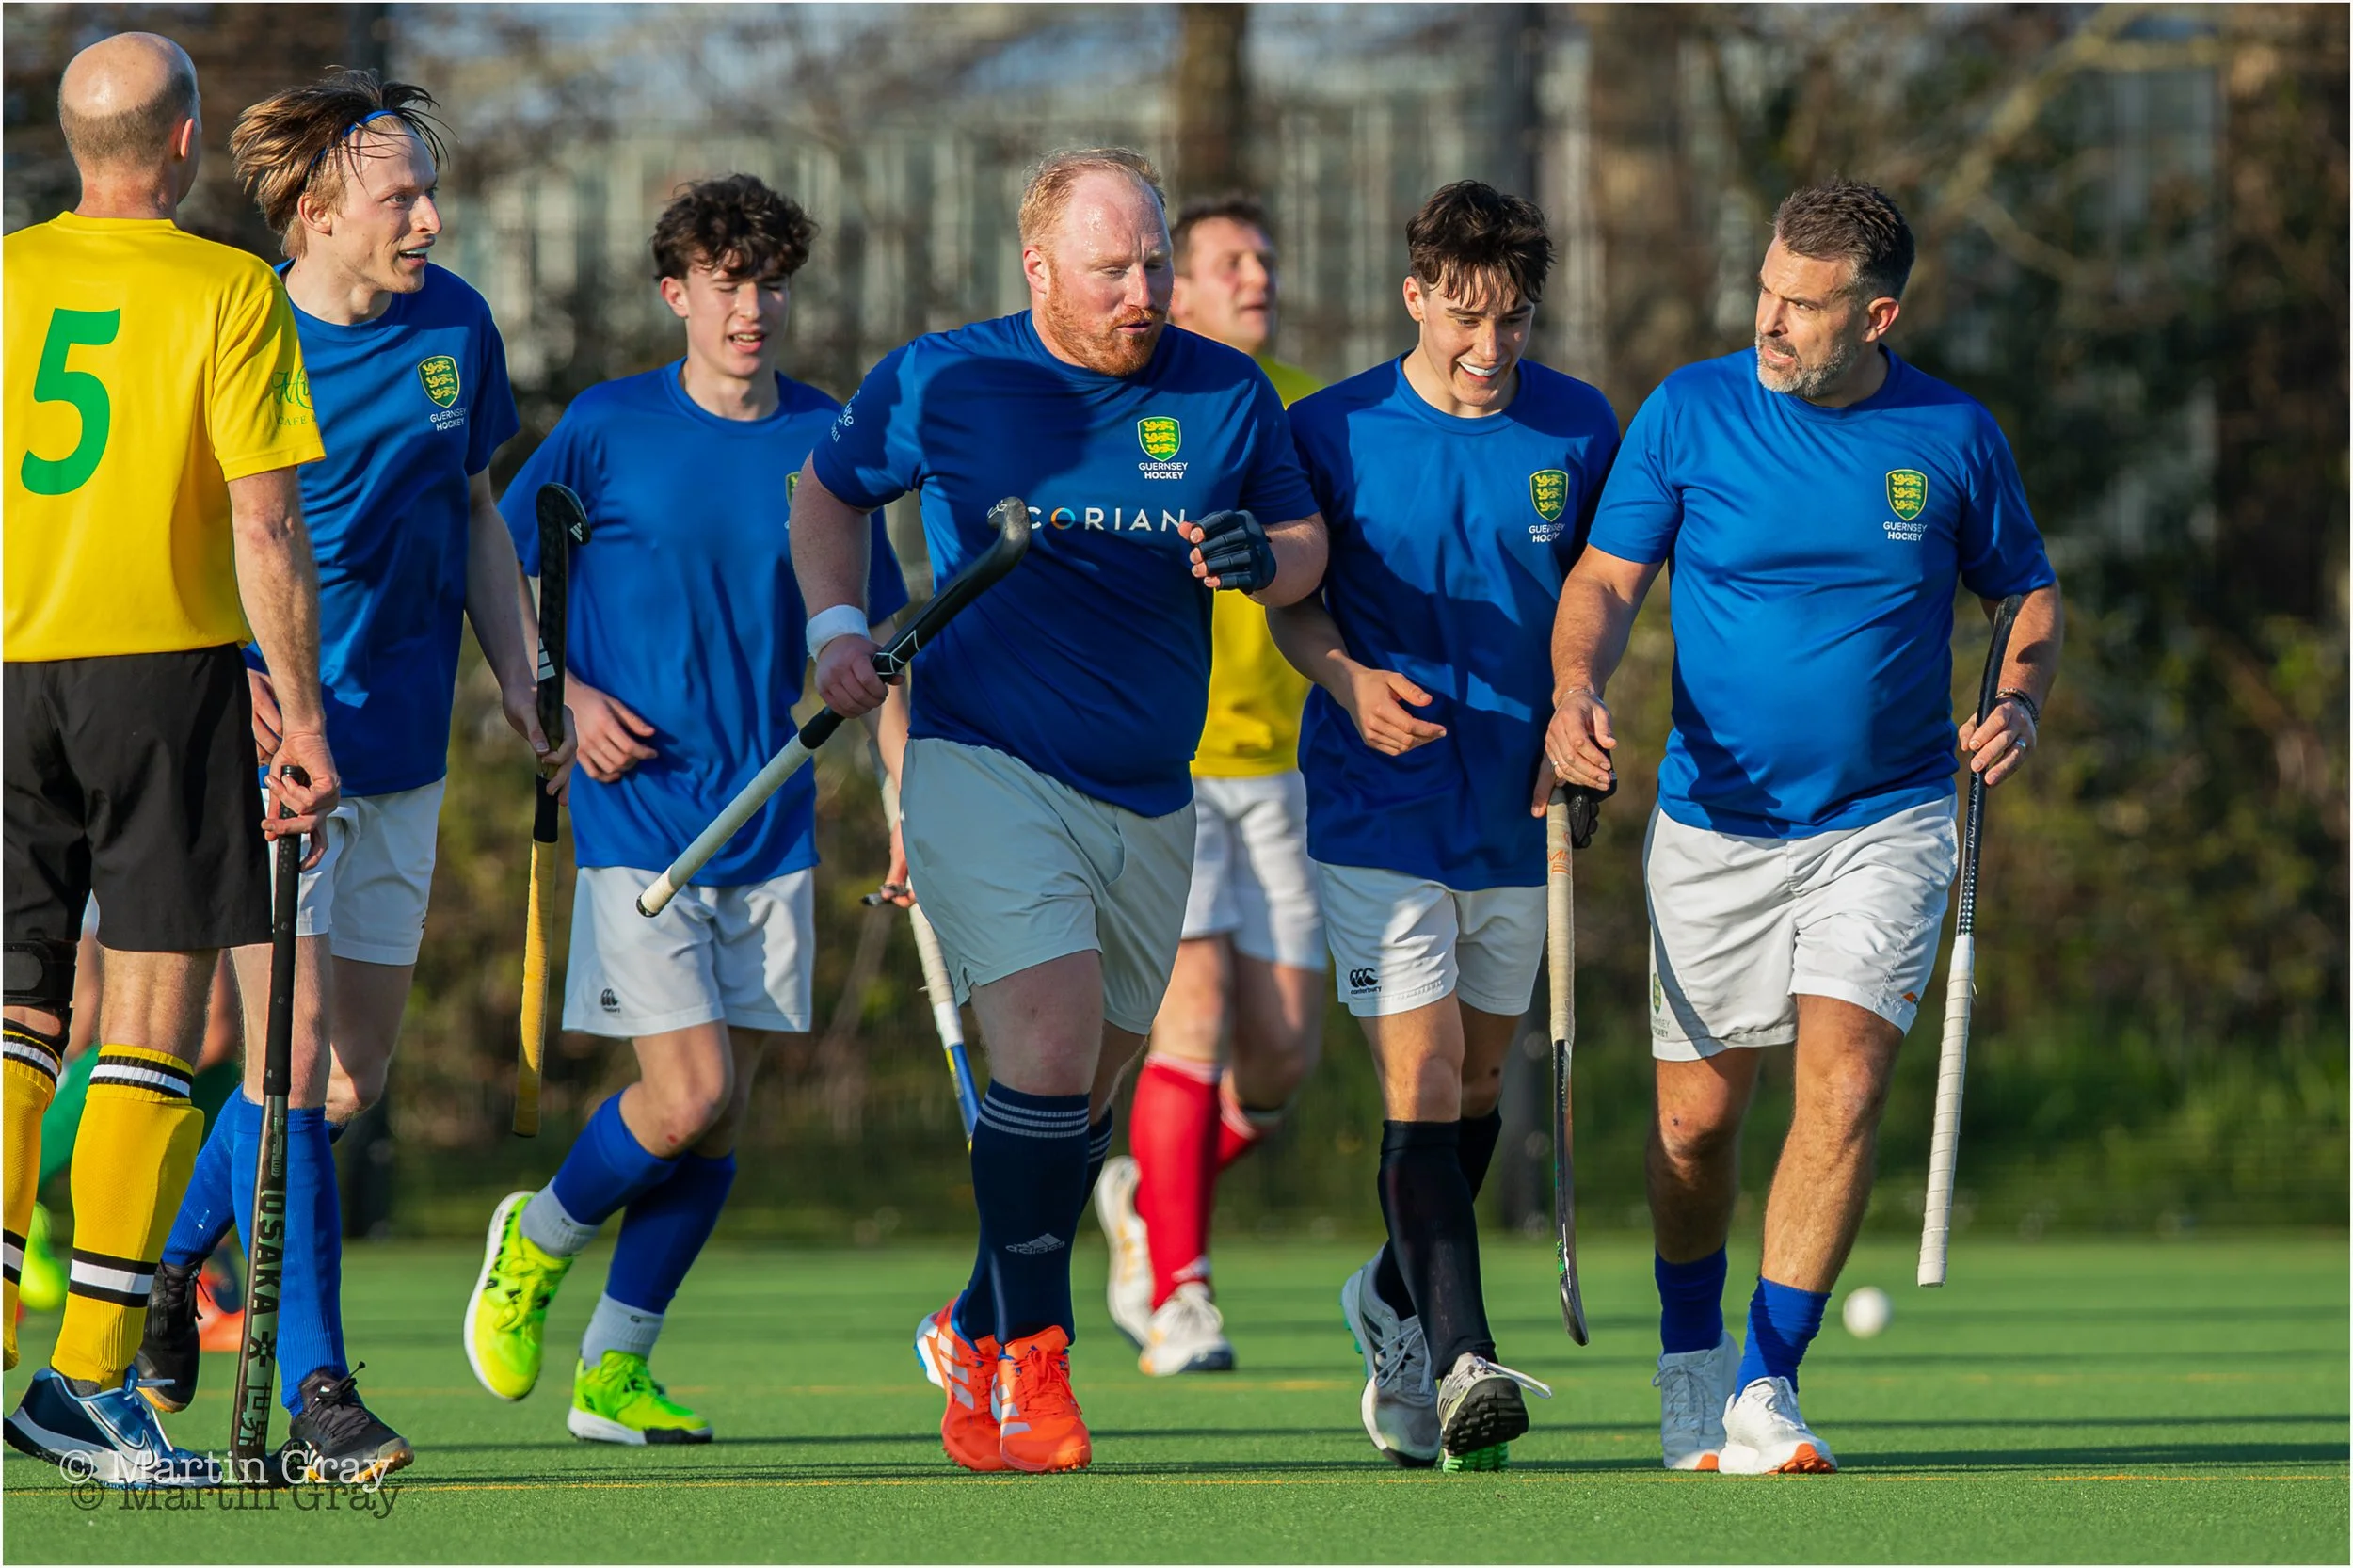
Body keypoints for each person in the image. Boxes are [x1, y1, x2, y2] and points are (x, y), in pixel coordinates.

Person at [795, 147, 1328, 1474]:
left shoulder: (1224, 388)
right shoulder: (942, 379)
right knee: (1042, 1047)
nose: (1142, 292)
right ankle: (1037, 1362)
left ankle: (975, 1324)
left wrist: (1264, 559)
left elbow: (1301, 540)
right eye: (1110, 270)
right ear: (1038, 269)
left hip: (1153, 791)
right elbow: (827, 492)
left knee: (1085, 1102)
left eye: (1153, 263)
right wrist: (839, 629)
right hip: (984, 762)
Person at [1545, 180, 2063, 1475]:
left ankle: (1766, 1380)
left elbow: (2026, 594)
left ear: (1876, 316)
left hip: (1887, 818)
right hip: (1712, 825)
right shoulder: (1688, 411)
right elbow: (1605, 579)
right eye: (1765, 291)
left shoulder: (1952, 435)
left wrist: (2017, 701)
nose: (1768, 321)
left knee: (1844, 1086)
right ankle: (1690, 1352)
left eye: (1801, 305)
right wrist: (1574, 689)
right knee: (1694, 1129)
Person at [117, 70, 553, 1486]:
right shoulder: (231, 327)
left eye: (429, 191)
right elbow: (164, 533)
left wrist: (522, 669)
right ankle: (318, 1384)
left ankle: (169, 1262)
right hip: (266, 753)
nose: (429, 218)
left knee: (349, 1081)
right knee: (290, 1063)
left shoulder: (457, 324)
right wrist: (223, 679)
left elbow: (475, 508)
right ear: (313, 212)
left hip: (403, 746)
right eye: (399, 197)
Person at [461, 174, 907, 1448]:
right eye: (726, 285)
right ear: (676, 294)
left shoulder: (826, 440)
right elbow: (497, 568)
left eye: (771, 285)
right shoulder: (603, 427)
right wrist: (562, 695)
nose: (751, 309)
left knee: (724, 1116)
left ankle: (615, 1366)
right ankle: (538, 1237)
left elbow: (874, 637)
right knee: (690, 1091)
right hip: (638, 810)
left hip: (770, 811)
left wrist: (907, 801)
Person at [2, 31, 339, 1487]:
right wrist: (303, 716)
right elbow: (264, 520)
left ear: (76, 144)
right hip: (162, 670)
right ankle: (86, 1385)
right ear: (188, 140)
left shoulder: (6, 278)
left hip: (9, 669)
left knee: (16, 1010)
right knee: (150, 1015)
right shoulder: (229, 289)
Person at [1270, 181, 1620, 1471]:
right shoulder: (1331, 429)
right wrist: (1345, 680)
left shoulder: (1579, 426)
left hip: (1515, 812)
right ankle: (1465, 1355)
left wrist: (1583, 719)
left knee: (1475, 1091)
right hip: (1378, 807)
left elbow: (1600, 596)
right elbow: (1292, 602)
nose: (1488, 345)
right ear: (1414, 295)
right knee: (1419, 1082)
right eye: (1464, 316)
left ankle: (1387, 1294)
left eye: (1511, 319)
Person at [1094, 194, 1328, 1377]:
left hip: (1288, 770)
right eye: (1230, 260)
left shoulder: (1307, 406)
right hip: (1170, 765)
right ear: (1173, 290)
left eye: (1265, 257)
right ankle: (1180, 1294)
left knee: (1282, 1057)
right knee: (1186, 1020)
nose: (1257, 275)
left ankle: (1146, 1196)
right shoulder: (1132, 403)